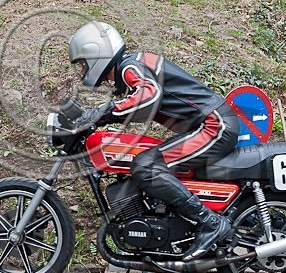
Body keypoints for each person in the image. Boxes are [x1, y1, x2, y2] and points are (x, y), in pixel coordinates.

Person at [68, 21, 240, 260]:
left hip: (214, 125)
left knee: (146, 166)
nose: (83, 71)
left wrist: (106, 111)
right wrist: (101, 116)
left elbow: (149, 95)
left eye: (84, 64)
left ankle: (210, 223)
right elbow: (139, 106)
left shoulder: (130, 67)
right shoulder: (131, 67)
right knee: (146, 163)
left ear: (96, 52)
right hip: (210, 124)